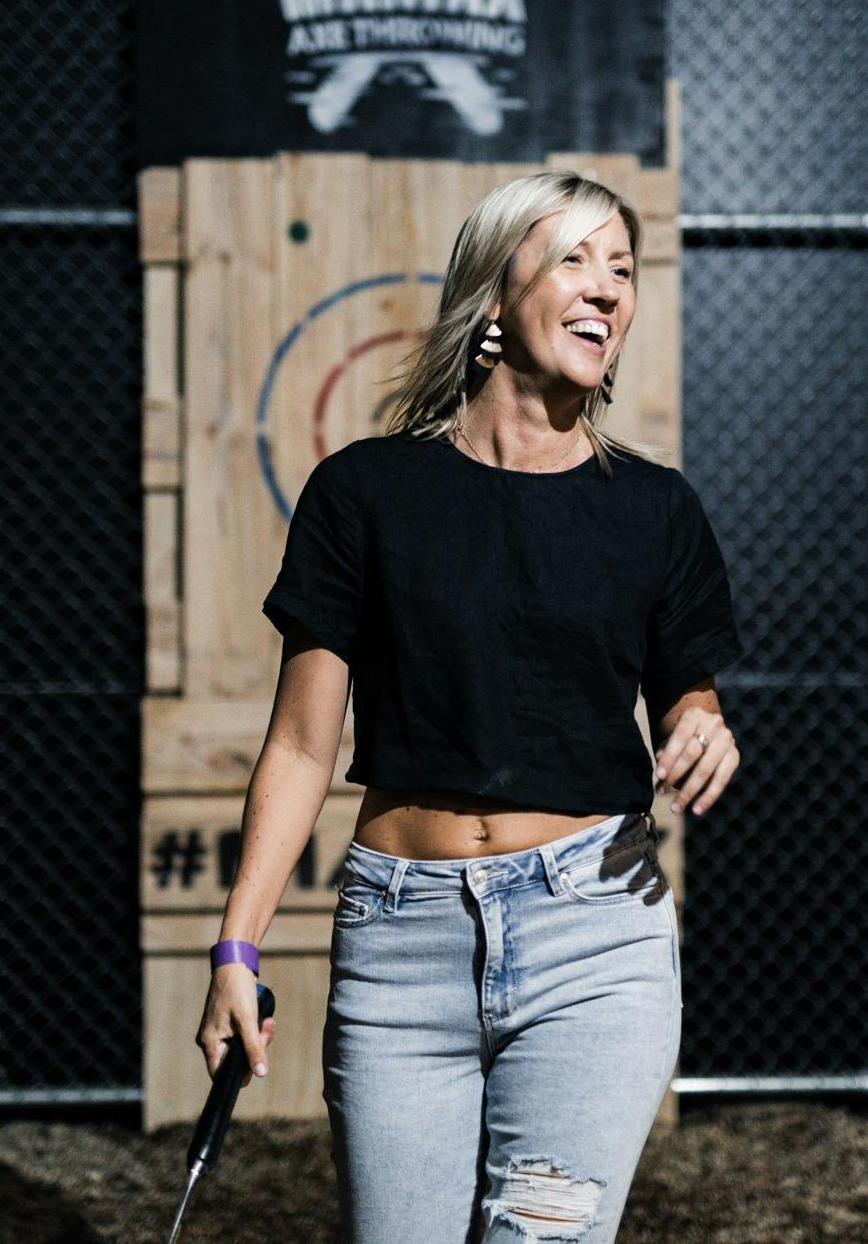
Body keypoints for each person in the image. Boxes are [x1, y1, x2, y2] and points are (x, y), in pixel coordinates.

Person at [198, 169, 747, 1242]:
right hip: (399, 942)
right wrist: (235, 949)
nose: (605, 291)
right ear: (495, 294)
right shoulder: (364, 494)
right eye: (574, 260)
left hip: (594, 937)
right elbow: (303, 746)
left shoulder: (653, 509)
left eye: (622, 270)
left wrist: (698, 721)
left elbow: (688, 688)